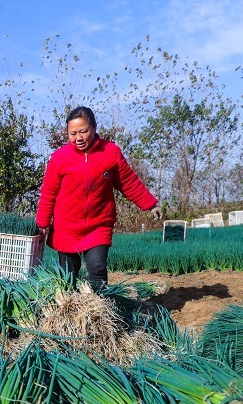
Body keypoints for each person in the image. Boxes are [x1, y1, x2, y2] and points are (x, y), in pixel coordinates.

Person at [36, 106, 161, 291]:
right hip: (66, 227)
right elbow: (49, 192)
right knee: (66, 278)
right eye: (73, 133)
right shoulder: (59, 158)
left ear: (94, 128)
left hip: (98, 225)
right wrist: (43, 222)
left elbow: (128, 182)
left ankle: (100, 313)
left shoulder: (110, 152)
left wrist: (150, 204)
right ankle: (69, 313)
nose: (78, 138)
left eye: (83, 131)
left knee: (97, 270)